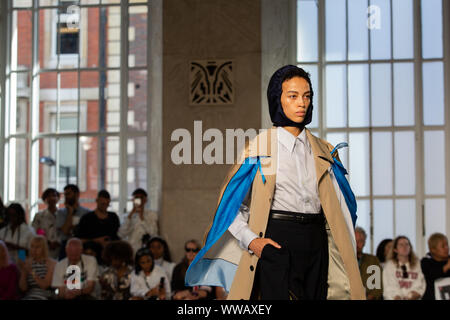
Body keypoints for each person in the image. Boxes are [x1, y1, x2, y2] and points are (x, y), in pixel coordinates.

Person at [185, 65, 365, 300]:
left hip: (317, 242)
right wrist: (252, 241)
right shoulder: (259, 148)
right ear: (277, 100)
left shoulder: (325, 151)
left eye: (307, 96)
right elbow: (228, 204)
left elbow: (343, 208)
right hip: (277, 239)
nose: (302, 103)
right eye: (293, 96)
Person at [382, 235, 425, 300]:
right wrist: (397, 296)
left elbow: (420, 283)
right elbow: (389, 286)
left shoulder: (417, 264)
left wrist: (411, 296)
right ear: (395, 249)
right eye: (401, 245)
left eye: (407, 244)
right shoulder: (389, 266)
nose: (405, 247)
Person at [118, 188, 159, 255]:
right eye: (137, 197)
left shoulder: (152, 214)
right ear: (133, 200)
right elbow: (121, 234)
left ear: (145, 200)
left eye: (141, 198)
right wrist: (131, 214)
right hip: (130, 251)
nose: (139, 200)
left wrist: (141, 217)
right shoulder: (127, 216)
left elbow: (153, 233)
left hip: (145, 251)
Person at [55, 184, 91, 259]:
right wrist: (70, 213)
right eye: (65, 195)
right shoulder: (61, 212)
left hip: (82, 245)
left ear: (77, 194)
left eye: (68, 194)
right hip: (66, 245)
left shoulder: (86, 213)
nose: (66, 197)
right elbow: (65, 231)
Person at [18, 235, 56, 300]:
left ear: (43, 249)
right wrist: (24, 271)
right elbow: (23, 288)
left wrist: (31, 272)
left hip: (45, 295)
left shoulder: (51, 263)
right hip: (29, 295)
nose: (34, 250)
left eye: (37, 247)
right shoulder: (27, 262)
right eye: (32, 246)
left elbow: (44, 285)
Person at [32, 188, 61, 259]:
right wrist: (47, 242)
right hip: (44, 247)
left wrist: (57, 242)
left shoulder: (63, 215)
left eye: (54, 195)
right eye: (49, 196)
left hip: (60, 247)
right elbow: (35, 231)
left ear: (58, 198)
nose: (52, 198)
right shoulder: (39, 215)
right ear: (45, 199)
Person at [355, 227, 383, 300]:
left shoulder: (372, 260)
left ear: (364, 243)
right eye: (355, 240)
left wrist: (369, 297)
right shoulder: (342, 259)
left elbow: (378, 285)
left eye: (360, 241)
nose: (357, 244)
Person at [421, 233, 450, 300]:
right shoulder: (425, 262)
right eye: (443, 246)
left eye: (447, 245)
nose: (447, 248)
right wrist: (447, 267)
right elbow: (431, 275)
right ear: (433, 250)